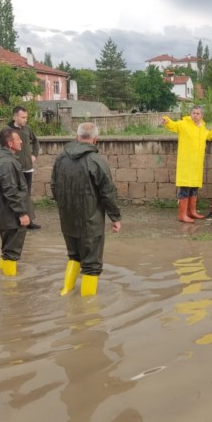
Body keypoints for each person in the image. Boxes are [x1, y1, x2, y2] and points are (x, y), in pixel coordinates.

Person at [52, 122, 121, 297]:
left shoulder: (61, 158)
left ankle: (66, 290)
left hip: (67, 220)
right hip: (90, 222)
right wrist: (115, 217)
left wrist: (64, 207)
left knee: (74, 256)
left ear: (77, 137)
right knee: (91, 264)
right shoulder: (96, 161)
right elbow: (108, 192)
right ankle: (87, 305)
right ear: (95, 139)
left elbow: (54, 186)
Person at [161, 106, 212, 223]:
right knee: (184, 189)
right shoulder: (183, 124)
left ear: (201, 116)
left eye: (198, 113)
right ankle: (182, 215)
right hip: (186, 164)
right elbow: (173, 125)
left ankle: (191, 212)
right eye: (194, 113)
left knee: (193, 189)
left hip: (196, 164)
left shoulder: (202, 128)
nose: (195, 115)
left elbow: (208, 136)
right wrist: (167, 120)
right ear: (190, 114)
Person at [0, 128, 32, 276]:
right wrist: (22, 213)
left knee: (7, 248)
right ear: (10, 143)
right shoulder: (6, 162)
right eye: (18, 139)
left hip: (4, 213)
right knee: (11, 251)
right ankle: (10, 288)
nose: (21, 141)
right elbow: (10, 191)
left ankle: (3, 278)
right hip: (11, 215)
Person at [0, 106, 42, 229]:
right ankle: (15, 218)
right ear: (15, 117)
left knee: (26, 194)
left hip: (27, 167)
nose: (25, 120)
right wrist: (3, 158)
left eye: (26, 117)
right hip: (13, 169)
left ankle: (28, 220)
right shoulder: (6, 130)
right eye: (23, 117)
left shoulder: (27, 129)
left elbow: (36, 141)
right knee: (13, 193)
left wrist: (34, 155)